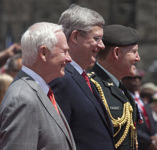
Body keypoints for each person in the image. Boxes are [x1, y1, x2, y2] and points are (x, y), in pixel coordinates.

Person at [0, 22, 76, 150]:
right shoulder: (23, 99)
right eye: (64, 51)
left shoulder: (40, 90)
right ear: (43, 53)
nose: (69, 59)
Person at [49, 4, 115, 150]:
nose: (102, 45)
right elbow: (57, 139)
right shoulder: (61, 78)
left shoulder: (81, 77)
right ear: (75, 36)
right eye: (97, 38)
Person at [88, 24, 140, 150]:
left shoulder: (121, 88)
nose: (138, 58)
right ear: (116, 53)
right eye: (134, 52)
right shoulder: (91, 86)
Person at [122, 70, 157, 150]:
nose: (137, 80)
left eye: (139, 78)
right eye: (132, 78)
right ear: (123, 80)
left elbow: (154, 122)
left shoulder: (143, 101)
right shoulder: (123, 101)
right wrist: (151, 141)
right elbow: (130, 127)